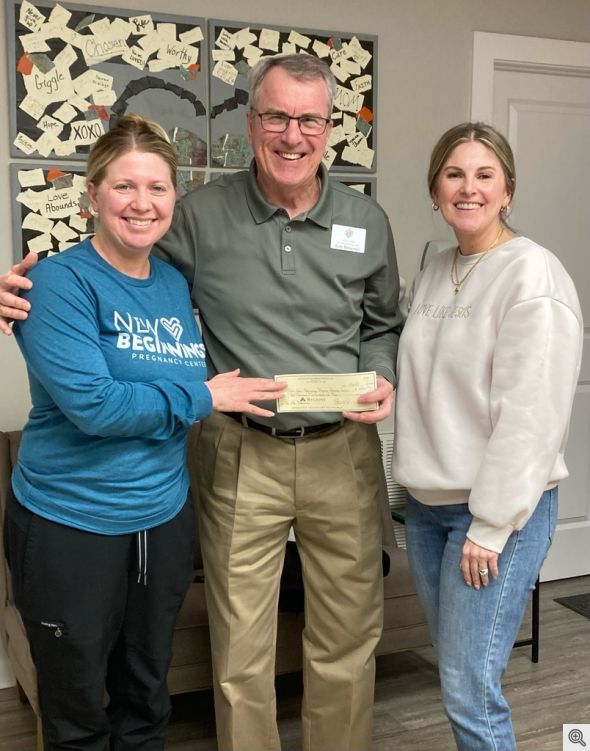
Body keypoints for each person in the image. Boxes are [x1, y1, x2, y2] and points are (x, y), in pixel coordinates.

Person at [0, 55, 403, 751]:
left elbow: (381, 322)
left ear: (329, 127)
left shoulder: (367, 222)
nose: (292, 133)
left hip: (343, 448)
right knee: (239, 648)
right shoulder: (197, 216)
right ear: (251, 123)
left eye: (309, 118)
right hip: (239, 448)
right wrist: (15, 289)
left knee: (347, 635)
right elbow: (113, 252)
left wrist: (380, 371)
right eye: (275, 115)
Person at [2, 113, 284, 751]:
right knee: (76, 711)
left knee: (146, 696)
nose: (141, 203)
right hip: (68, 524)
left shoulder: (173, 284)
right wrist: (204, 397)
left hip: (160, 518)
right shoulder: (57, 284)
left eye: (157, 188)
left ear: (174, 200)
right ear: (92, 196)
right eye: (124, 186)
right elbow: (96, 407)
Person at [392, 122, 583, 751]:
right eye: (453, 174)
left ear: (507, 191)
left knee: (470, 690)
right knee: (460, 677)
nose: (467, 188)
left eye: (483, 175)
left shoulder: (533, 274)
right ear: (434, 189)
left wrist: (492, 523)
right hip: (426, 511)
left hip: (492, 518)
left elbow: (531, 414)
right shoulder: (435, 269)